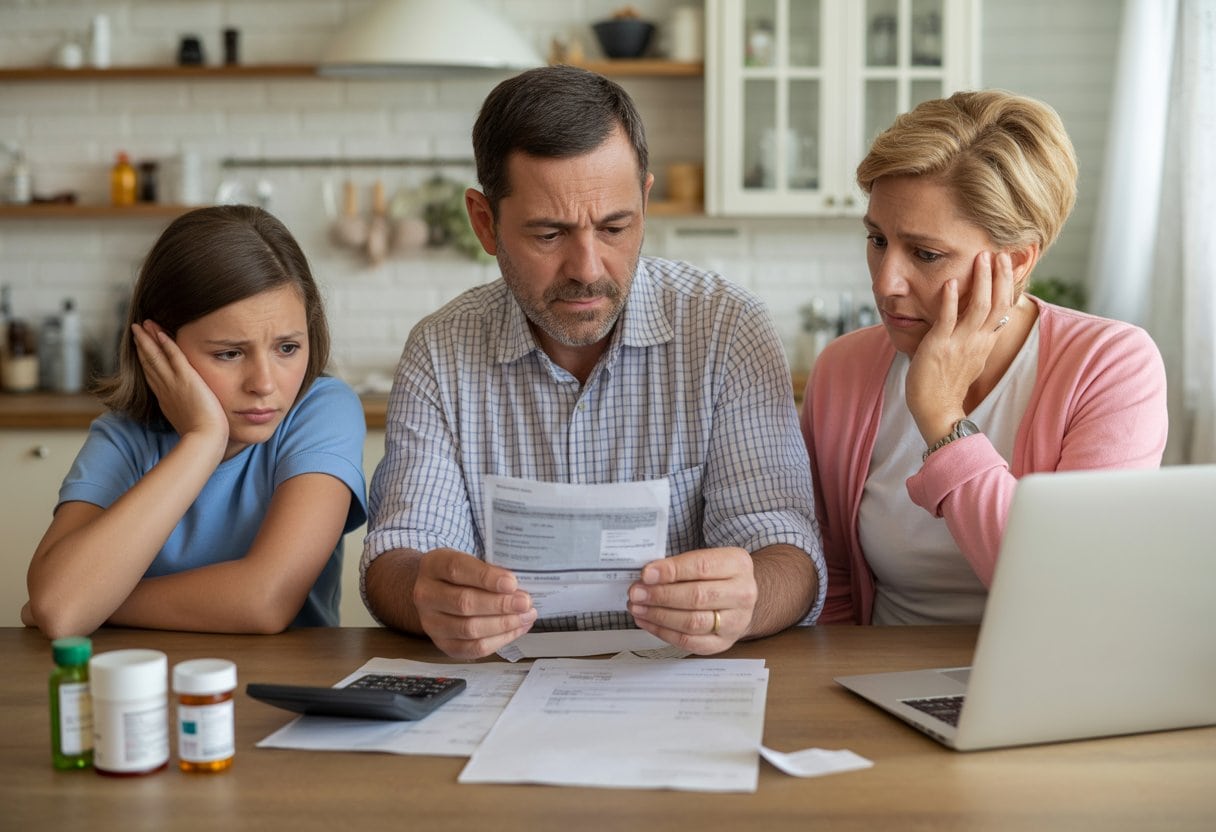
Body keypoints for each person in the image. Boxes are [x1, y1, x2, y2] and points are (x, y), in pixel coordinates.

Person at [362, 65, 824, 659]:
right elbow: (399, 553)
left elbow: (787, 550)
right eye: (549, 234)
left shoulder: (727, 330)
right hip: (503, 690)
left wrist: (748, 597)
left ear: (645, 202)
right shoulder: (440, 350)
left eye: (614, 227)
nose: (587, 267)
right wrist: (427, 594)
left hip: (679, 683)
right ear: (485, 223)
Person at [800, 90, 1168, 625]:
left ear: (1016, 261)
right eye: (877, 240)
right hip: (871, 682)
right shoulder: (844, 369)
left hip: (1048, 685)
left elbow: (1069, 592)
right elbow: (829, 581)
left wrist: (942, 418)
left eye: (926, 254)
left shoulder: (1111, 365)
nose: (885, 282)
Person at [24, 205, 368, 638]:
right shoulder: (124, 435)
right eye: (229, 353)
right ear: (157, 345)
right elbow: (61, 607)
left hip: (285, 685)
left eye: (286, 348)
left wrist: (95, 603)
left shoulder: (322, 410)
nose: (264, 384)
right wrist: (202, 441)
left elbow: (265, 600)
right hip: (144, 682)